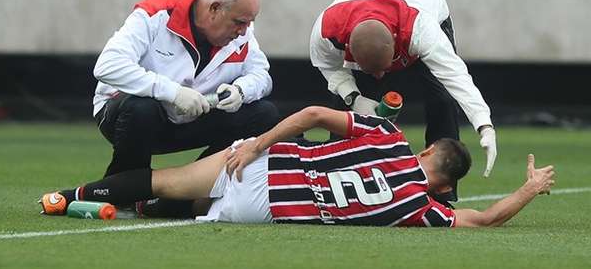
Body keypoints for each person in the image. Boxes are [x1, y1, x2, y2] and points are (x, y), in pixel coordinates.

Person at [40, 105, 556, 228]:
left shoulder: (387, 135)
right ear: (445, 185)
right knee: (183, 203)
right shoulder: (420, 211)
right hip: (271, 209)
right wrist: (529, 188)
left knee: (165, 181)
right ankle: (134, 207)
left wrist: (256, 143)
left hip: (270, 163)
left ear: (425, 155)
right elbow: (486, 219)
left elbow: (310, 114)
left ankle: (69, 195)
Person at [308, 0, 497, 202]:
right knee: (343, 109)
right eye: (370, 70)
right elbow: (326, 65)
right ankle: (337, 185)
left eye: (385, 68)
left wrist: (484, 125)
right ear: (348, 48)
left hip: (424, 2)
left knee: (442, 100)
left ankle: (442, 193)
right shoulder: (326, 33)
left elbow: (455, 76)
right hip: (363, 13)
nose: (381, 77)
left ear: (397, 41)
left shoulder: (422, 31)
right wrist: (353, 96)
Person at [91, 0, 279, 185]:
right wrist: (173, 92)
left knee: (265, 114)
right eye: (239, 22)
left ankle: (192, 189)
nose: (244, 31)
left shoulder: (242, 30)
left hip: (194, 118)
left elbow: (262, 75)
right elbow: (107, 65)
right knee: (142, 108)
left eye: (249, 23)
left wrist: (241, 90)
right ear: (214, 9)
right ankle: (121, 188)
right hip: (128, 117)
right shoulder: (156, 13)